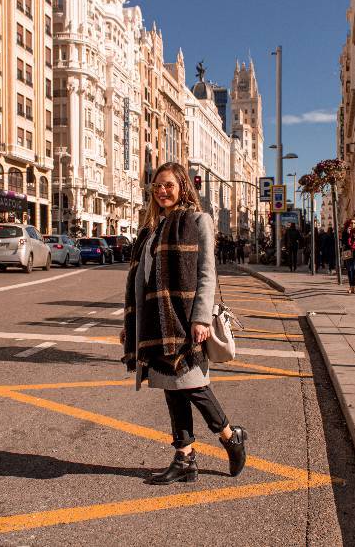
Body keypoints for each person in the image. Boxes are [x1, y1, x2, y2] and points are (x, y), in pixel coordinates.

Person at [120, 162, 247, 485]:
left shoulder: (197, 221)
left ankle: (231, 438)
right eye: (157, 186)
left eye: (169, 185)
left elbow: (206, 272)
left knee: (195, 387)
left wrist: (201, 317)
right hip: (153, 320)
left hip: (182, 317)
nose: (162, 191)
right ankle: (185, 457)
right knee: (172, 390)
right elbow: (139, 279)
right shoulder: (150, 227)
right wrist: (129, 322)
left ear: (183, 187)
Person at [342, 220, 355, 292]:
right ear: (348, 224)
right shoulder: (345, 232)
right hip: (347, 251)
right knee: (349, 269)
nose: (353, 224)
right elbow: (344, 242)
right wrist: (347, 234)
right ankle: (351, 286)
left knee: (354, 268)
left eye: (354, 223)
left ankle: (353, 286)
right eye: (351, 223)